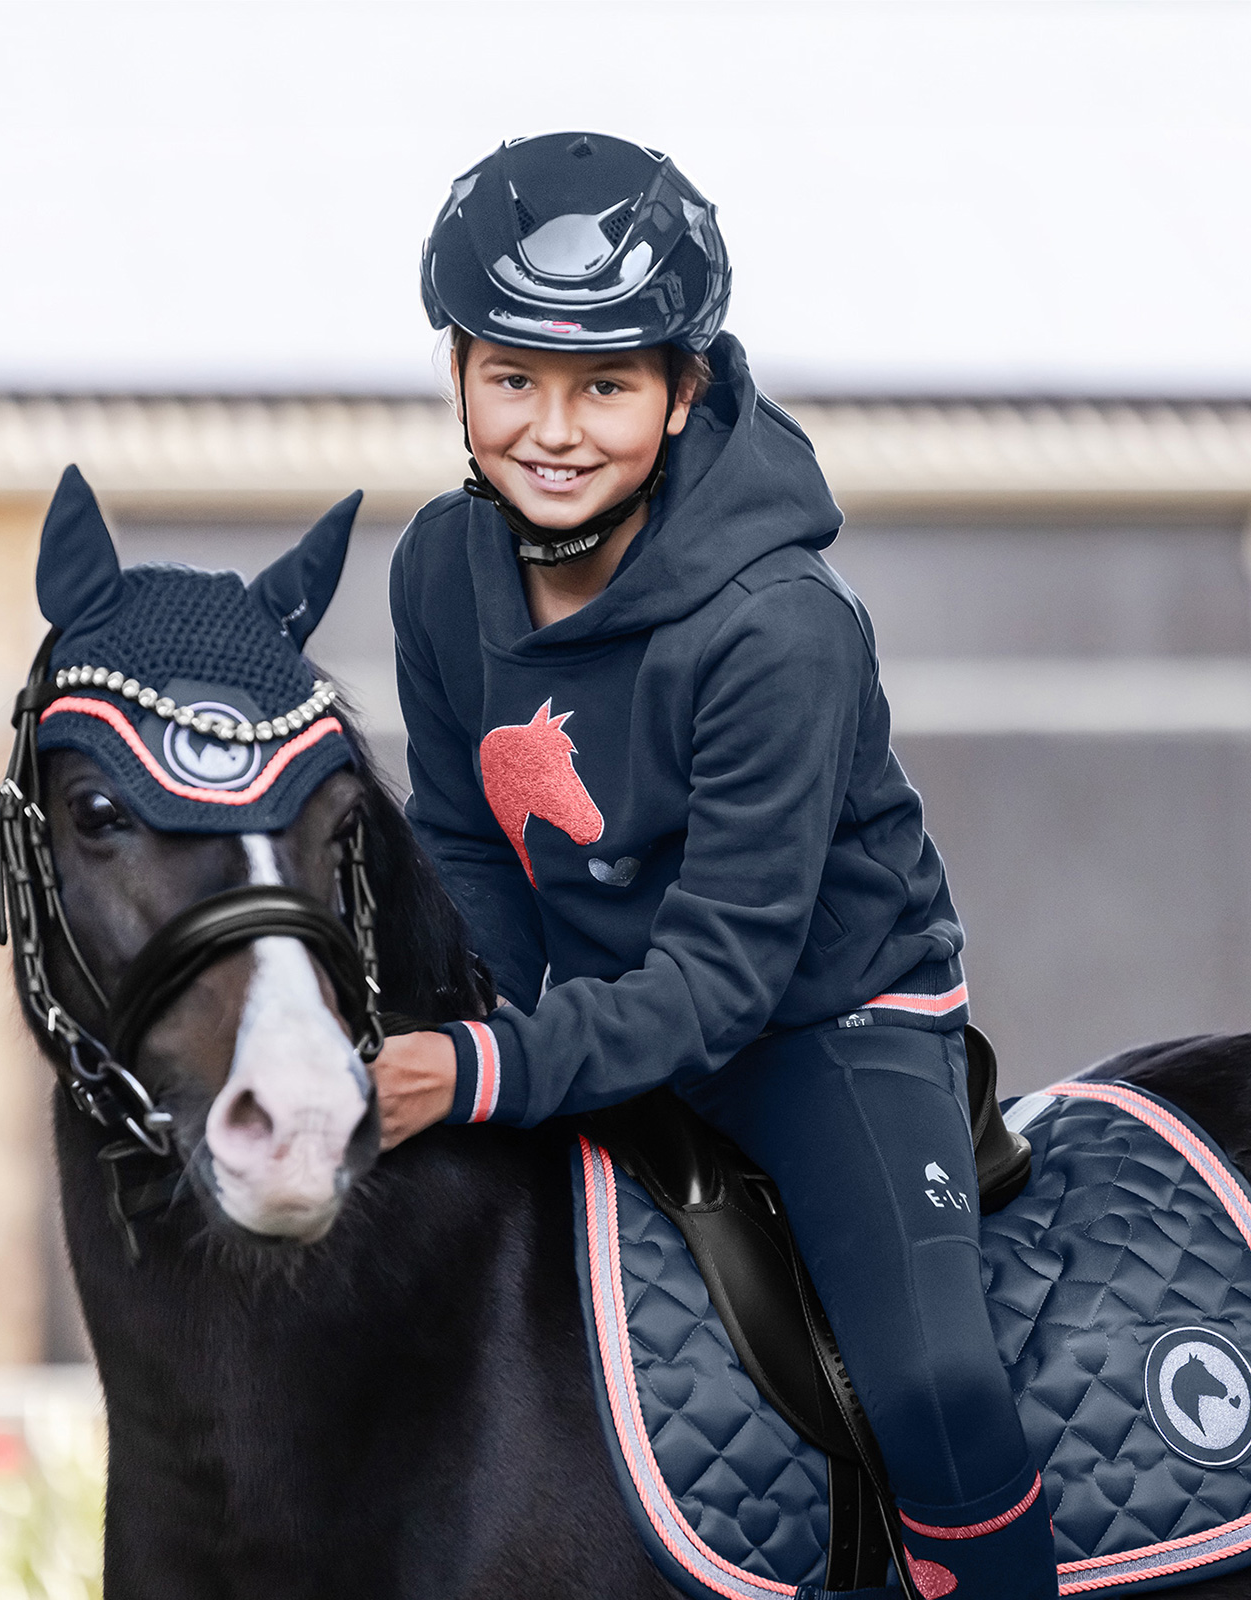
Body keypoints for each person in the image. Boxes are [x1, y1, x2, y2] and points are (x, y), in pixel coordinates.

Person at [377, 131, 1056, 1600]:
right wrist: (473, 1020)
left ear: (684, 392)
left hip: (822, 1020)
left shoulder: (781, 627)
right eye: (512, 378)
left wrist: (481, 1071)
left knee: (936, 1385)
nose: (553, 429)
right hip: (590, 991)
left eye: (607, 385)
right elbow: (462, 844)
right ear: (457, 377)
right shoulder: (435, 570)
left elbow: (726, 976)